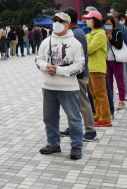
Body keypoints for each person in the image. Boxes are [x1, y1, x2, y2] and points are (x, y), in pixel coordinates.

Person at [35, 12, 85, 160]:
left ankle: (76, 146)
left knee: (73, 118)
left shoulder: (75, 43)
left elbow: (80, 65)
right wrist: (46, 67)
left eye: (60, 21)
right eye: (54, 20)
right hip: (48, 86)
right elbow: (38, 59)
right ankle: (53, 143)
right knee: (49, 117)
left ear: (67, 24)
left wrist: (60, 70)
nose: (56, 23)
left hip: (68, 88)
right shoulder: (46, 41)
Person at [59, 8, 96, 142]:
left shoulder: (77, 34)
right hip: (73, 74)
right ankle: (72, 127)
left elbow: (78, 58)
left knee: (82, 102)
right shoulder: (72, 33)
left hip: (79, 74)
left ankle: (90, 130)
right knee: (72, 103)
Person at [83, 10, 111, 127]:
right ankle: (98, 115)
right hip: (90, 68)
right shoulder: (90, 34)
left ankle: (105, 117)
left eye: (90, 19)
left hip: (97, 68)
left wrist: (86, 46)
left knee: (100, 94)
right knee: (94, 94)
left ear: (96, 20)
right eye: (87, 19)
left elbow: (88, 49)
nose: (87, 21)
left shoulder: (100, 34)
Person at [103, 16, 127, 111]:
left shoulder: (118, 33)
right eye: (106, 24)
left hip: (116, 61)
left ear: (113, 25)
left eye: (109, 24)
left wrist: (111, 38)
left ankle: (121, 100)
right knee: (108, 82)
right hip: (106, 61)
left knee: (119, 81)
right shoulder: (101, 34)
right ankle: (110, 100)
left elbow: (119, 46)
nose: (107, 26)